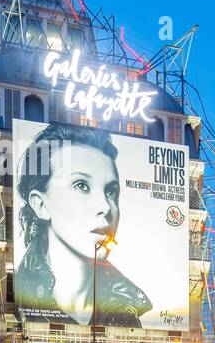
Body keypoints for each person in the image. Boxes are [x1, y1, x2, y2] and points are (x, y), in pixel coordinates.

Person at [15, 122, 151, 327]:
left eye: (111, 191)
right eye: (82, 185)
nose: (106, 206)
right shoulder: (16, 298)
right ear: (40, 204)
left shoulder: (128, 313)